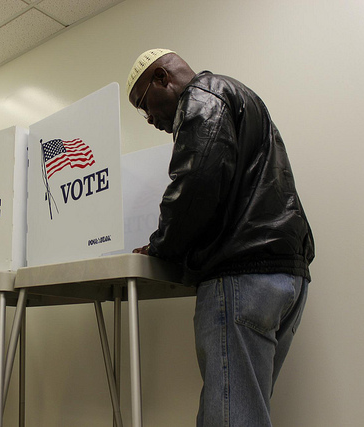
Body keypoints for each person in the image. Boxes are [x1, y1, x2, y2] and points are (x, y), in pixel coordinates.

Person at [126, 49, 315, 426]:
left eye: (145, 105)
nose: (148, 118)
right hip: (286, 276)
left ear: (162, 78)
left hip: (242, 276)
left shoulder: (203, 97)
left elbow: (195, 184)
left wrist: (162, 247)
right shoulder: (240, 96)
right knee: (248, 412)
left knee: (230, 418)